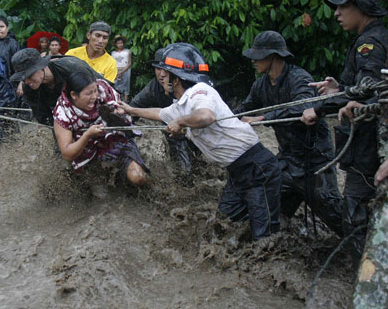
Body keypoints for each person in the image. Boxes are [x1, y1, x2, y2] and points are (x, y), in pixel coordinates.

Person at [119, 43, 281, 241]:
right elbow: (159, 113)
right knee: (222, 226)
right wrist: (130, 110)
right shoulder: (180, 104)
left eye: (165, 74)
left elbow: (205, 117)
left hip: (257, 168)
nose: (160, 76)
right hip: (238, 172)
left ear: (176, 80)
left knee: (264, 238)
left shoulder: (200, 92)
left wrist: (180, 122)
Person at [300, 0, 388, 261]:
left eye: (342, 6)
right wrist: (338, 89)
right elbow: (367, 89)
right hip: (373, 144)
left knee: (355, 216)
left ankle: (368, 288)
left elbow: (369, 92)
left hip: (369, 145)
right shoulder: (375, 38)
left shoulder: (370, 43)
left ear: (361, 7)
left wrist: (319, 108)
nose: (336, 13)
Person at [236, 31, 343, 236]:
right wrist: (213, 120)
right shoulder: (260, 85)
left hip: (315, 161)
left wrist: (263, 118)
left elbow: (301, 108)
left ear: (273, 56)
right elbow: (244, 109)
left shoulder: (300, 79)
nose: (253, 61)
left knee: (335, 215)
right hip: (287, 161)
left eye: (258, 56)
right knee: (268, 211)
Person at [52, 69, 148, 186]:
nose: (94, 96)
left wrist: (119, 113)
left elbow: (122, 111)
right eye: (88, 94)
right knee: (100, 191)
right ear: (73, 95)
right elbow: (67, 154)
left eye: (95, 91)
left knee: (137, 177)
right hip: (86, 153)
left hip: (116, 139)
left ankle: (151, 188)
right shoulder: (63, 113)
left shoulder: (103, 89)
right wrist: (87, 135)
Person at [130, 48, 194, 173]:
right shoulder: (153, 88)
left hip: (195, 126)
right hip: (173, 131)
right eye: (158, 69)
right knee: (184, 170)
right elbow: (133, 108)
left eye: (166, 69)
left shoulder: (190, 85)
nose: (162, 74)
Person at [11, 48, 108, 126]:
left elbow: (104, 92)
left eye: (29, 75)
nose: (26, 81)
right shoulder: (28, 88)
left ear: (42, 66)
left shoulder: (73, 68)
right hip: (64, 120)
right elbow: (44, 118)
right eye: (22, 78)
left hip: (97, 110)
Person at [111, 35, 132, 101]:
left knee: (126, 85)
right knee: (115, 85)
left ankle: (125, 101)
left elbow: (129, 63)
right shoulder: (113, 53)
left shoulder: (127, 52)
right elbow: (112, 63)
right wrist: (116, 72)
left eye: (121, 43)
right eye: (118, 43)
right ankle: (117, 100)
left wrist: (122, 71)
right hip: (116, 70)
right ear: (115, 44)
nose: (120, 45)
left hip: (125, 70)